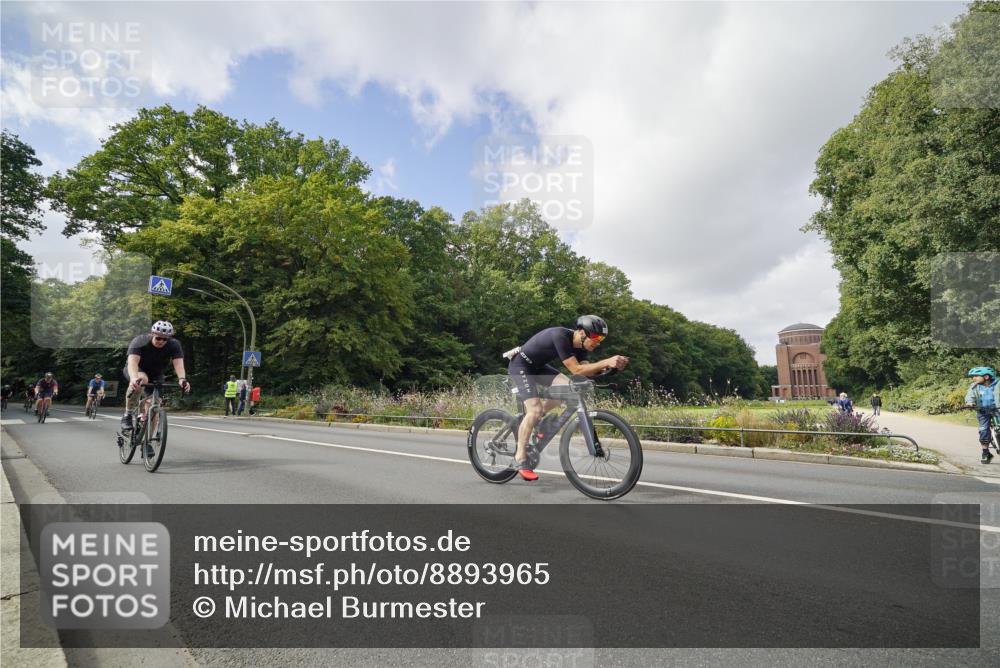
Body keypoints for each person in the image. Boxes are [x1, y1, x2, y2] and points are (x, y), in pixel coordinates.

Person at [504, 315, 629, 481]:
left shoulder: (582, 346)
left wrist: (609, 367)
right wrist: (606, 360)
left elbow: (586, 368)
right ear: (581, 332)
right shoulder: (561, 336)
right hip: (521, 365)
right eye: (596, 337)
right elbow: (576, 370)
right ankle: (520, 458)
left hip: (539, 367)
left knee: (568, 388)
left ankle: (539, 422)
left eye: (601, 339)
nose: (598, 342)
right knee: (534, 409)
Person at [122, 321, 191, 451]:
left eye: (165, 339)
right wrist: (133, 378)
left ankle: (146, 441)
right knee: (141, 379)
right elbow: (132, 362)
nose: (161, 341)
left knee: (154, 408)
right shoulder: (140, 341)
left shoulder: (174, 345)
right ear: (152, 334)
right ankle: (128, 414)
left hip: (157, 374)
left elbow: (178, 364)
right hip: (137, 370)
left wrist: (182, 379)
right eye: (158, 337)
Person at [965, 366, 998, 464]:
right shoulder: (974, 386)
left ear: (986, 377)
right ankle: (986, 453)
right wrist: (970, 402)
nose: (973, 378)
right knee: (983, 431)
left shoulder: (998, 384)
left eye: (976, 376)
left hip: (997, 409)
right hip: (982, 411)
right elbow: (969, 396)